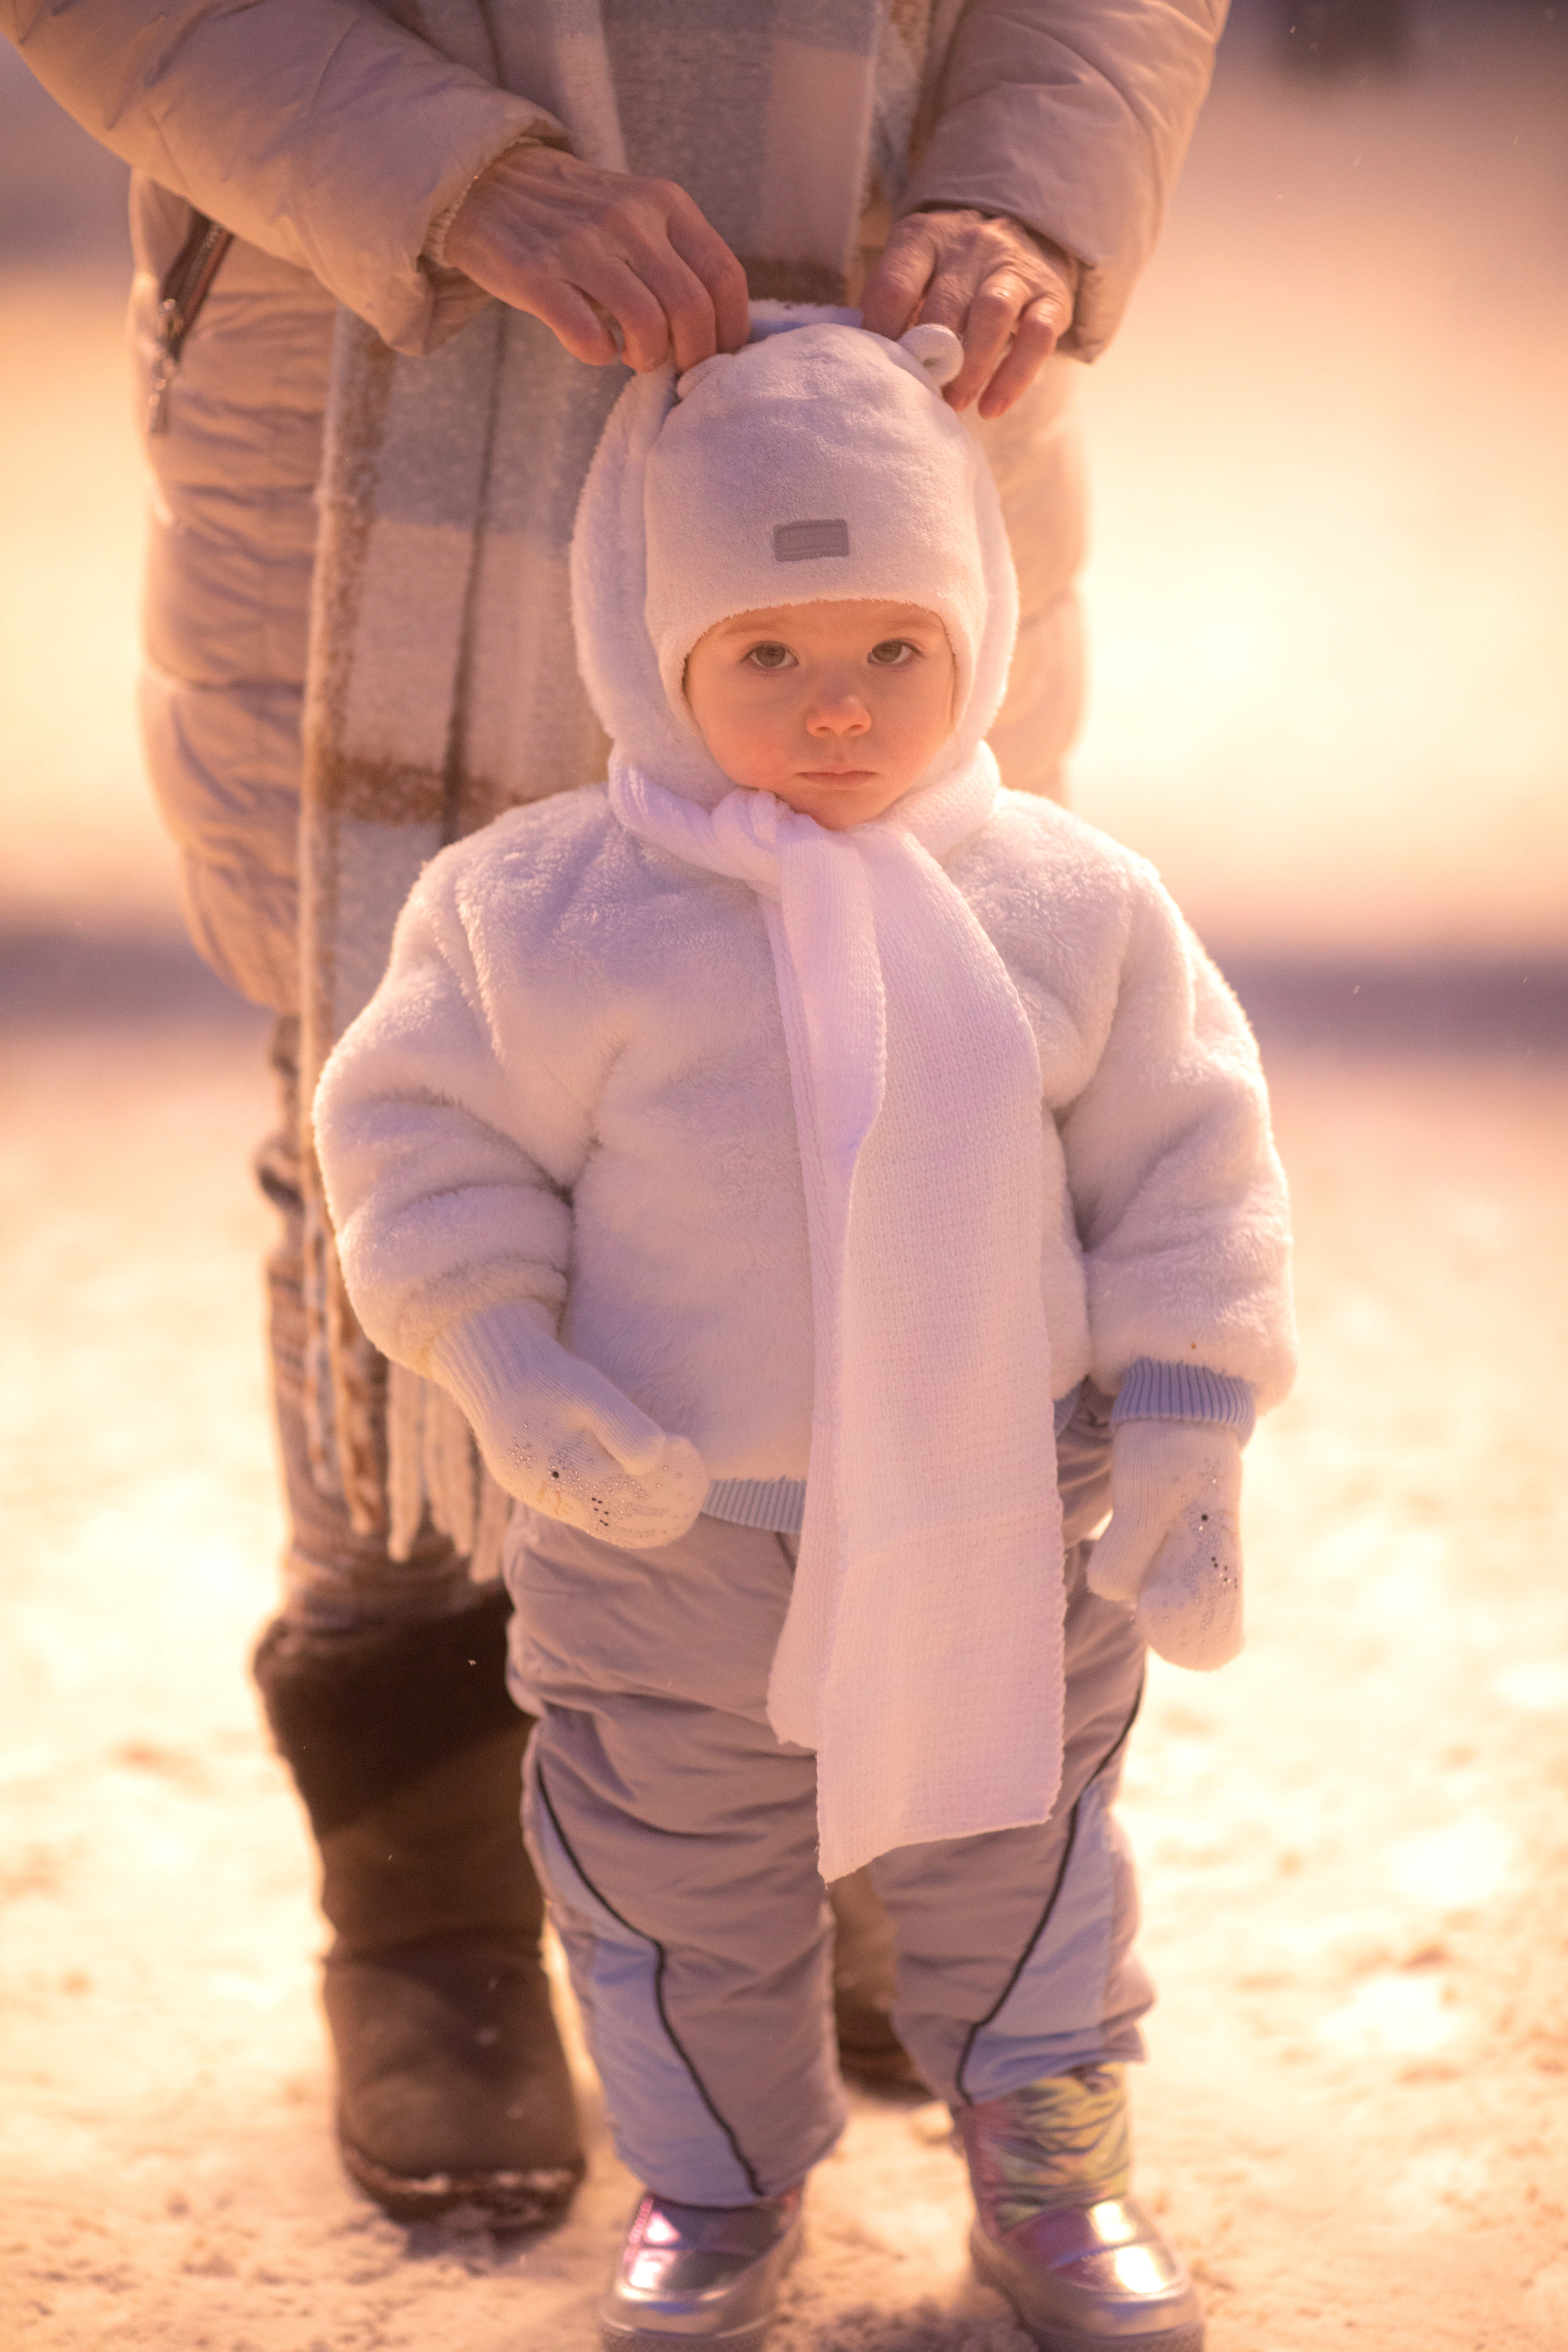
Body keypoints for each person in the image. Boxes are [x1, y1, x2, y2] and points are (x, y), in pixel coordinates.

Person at [3, 0, 1234, 2227]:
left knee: (887, 1075)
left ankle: (845, 1791)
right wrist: (435, 166)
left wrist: (1025, 194)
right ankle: (431, 1894)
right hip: (376, 346)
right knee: (402, 1098)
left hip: (884, 367)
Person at [314, 315, 1295, 2350]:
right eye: (765, 652)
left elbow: (1190, 1166)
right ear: (654, 646)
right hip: (668, 1532)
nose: (837, 707)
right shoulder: (545, 912)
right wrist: (509, 1367)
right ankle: (714, 2183)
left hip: (1000, 1509)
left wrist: (1190, 1426)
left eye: (893, 649)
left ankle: (1053, 2170)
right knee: (675, 1875)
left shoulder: (1068, 904)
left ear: (977, 635)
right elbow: (420, 1147)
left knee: (1022, 1851)